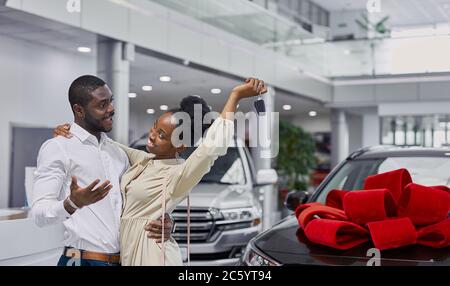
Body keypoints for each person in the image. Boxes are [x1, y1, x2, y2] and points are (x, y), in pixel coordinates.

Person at [54, 77, 268, 265]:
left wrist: (236, 95)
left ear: (180, 146)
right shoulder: (143, 160)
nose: (152, 135)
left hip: (152, 255)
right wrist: (72, 130)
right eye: (155, 127)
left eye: (163, 135)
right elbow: (104, 144)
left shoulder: (179, 174)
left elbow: (211, 147)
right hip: (125, 253)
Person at [31, 75, 173, 266]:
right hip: (81, 260)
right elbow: (39, 214)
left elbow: (140, 200)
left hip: (123, 259)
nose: (111, 110)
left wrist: (166, 222)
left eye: (111, 102)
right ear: (79, 110)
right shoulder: (58, 147)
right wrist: (72, 203)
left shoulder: (118, 153)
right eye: (102, 105)